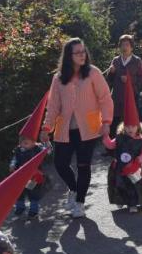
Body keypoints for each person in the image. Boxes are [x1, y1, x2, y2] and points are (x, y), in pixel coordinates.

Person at [41, 38, 113, 219]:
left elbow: (105, 98)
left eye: (83, 51)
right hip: (64, 129)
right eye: (78, 53)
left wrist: (106, 122)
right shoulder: (58, 78)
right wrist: (46, 127)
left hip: (88, 129)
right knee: (60, 164)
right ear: (68, 56)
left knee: (83, 166)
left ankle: (80, 202)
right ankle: (73, 189)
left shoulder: (93, 73)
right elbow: (53, 105)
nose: (82, 55)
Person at [103, 79, 142, 213]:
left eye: (133, 126)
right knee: (121, 185)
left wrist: (139, 160)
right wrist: (105, 136)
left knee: (136, 185)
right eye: (128, 126)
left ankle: (135, 204)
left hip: (135, 167)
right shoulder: (119, 138)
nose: (130, 129)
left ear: (138, 127)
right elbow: (110, 145)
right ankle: (123, 201)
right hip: (120, 167)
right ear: (123, 127)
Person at [10, 94, 49, 218]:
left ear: (33, 141)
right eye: (21, 142)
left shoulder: (38, 148)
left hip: (34, 177)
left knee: (33, 192)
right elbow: (14, 158)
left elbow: (48, 151)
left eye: (26, 142)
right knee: (19, 192)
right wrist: (12, 165)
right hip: (20, 175)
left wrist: (47, 142)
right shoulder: (18, 150)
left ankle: (33, 209)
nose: (23, 144)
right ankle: (20, 207)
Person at [106, 35, 142, 135]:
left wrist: (130, 80)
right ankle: (112, 148)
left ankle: (131, 147)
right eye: (122, 45)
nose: (124, 47)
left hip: (131, 98)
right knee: (114, 124)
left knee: (130, 124)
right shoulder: (116, 60)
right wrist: (111, 72)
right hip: (116, 98)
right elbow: (108, 81)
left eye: (127, 45)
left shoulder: (137, 61)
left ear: (131, 47)